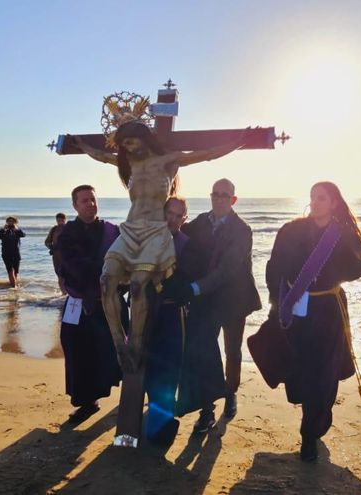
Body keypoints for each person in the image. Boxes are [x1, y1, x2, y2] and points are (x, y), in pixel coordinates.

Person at [73, 121, 248, 375]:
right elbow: (101, 156)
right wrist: (81, 145)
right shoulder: (129, 164)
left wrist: (236, 143)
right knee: (106, 280)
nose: (128, 148)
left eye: (130, 142)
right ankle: (119, 343)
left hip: (156, 230)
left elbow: (205, 155)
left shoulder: (168, 161)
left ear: (143, 138)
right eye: (123, 145)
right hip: (131, 228)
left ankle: (135, 343)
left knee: (138, 285)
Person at [251, 181, 361, 462]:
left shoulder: (342, 235)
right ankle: (310, 418)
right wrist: (277, 303)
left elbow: (358, 269)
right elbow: (274, 267)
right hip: (296, 309)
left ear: (334, 203)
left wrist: (344, 249)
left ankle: (309, 435)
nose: (315, 202)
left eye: (322, 198)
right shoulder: (291, 230)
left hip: (328, 311)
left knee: (323, 373)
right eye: (313, 197)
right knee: (300, 369)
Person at [171, 178, 262, 429]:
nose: (220, 198)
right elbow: (176, 245)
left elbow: (227, 269)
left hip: (234, 300)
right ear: (211, 196)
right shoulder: (197, 224)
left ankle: (230, 393)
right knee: (203, 353)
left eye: (225, 195)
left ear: (234, 199)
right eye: (216, 194)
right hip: (204, 302)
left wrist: (193, 288)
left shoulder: (242, 231)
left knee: (232, 352)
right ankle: (206, 409)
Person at [56, 185, 123, 424]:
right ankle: (87, 402)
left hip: (107, 303)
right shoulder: (66, 233)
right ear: (75, 205)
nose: (90, 204)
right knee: (77, 353)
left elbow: (123, 263)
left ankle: (119, 397)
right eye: (84, 201)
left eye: (93, 199)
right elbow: (74, 267)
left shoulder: (111, 231)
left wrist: (117, 281)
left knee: (108, 353)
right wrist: (104, 270)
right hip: (79, 304)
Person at [144, 196, 196, 444]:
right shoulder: (147, 239)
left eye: (179, 215)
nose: (173, 219)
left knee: (168, 370)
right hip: (147, 313)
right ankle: (152, 418)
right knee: (147, 368)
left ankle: (161, 427)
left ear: (184, 218)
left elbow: (182, 282)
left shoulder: (187, 245)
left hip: (173, 314)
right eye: (170, 213)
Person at [0, 217, 25, 288]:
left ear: (15, 222)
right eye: (9, 221)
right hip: (6, 253)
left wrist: (16, 229)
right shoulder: (3, 230)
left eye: (12, 221)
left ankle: (13, 284)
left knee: (16, 271)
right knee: (10, 270)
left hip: (16, 253)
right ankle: (14, 287)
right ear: (7, 222)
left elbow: (23, 235)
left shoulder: (17, 230)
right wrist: (4, 230)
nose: (10, 223)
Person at [45, 213, 67, 293]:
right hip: (56, 257)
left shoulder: (69, 229)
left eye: (62, 220)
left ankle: (69, 294)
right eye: (58, 220)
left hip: (67, 257)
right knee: (59, 275)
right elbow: (47, 241)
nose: (60, 222)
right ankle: (63, 293)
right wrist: (50, 246)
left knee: (68, 276)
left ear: (65, 220)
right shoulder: (54, 229)